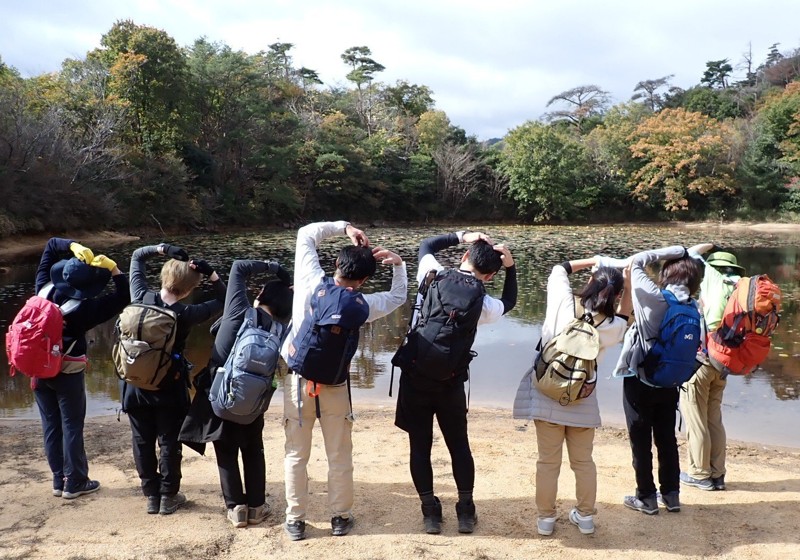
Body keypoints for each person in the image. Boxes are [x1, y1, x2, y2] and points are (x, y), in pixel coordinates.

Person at [281, 221, 407, 541]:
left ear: (336, 264)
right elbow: (397, 297)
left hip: (298, 381)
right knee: (339, 453)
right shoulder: (364, 306)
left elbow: (306, 233)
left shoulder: (310, 281)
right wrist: (399, 265)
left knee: (296, 453)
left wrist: (346, 228)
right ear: (364, 281)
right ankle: (340, 516)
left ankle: (296, 520)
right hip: (335, 386)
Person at [394, 231, 517, 535]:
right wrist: (511, 268)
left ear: (464, 257)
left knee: (419, 447)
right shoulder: (484, 303)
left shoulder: (432, 273)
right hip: (450, 383)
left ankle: (430, 513)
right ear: (489, 277)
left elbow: (426, 245)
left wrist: (463, 236)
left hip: (415, 377)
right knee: (459, 446)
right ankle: (465, 510)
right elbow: (510, 301)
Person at [513, 256, 632, 536]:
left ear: (590, 283)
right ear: (615, 295)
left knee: (547, 462)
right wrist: (627, 284)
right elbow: (626, 316)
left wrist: (594, 260)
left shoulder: (564, 304)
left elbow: (559, 269)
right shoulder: (611, 327)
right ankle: (586, 517)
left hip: (546, 392)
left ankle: (546, 519)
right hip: (582, 398)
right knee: (583, 463)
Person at [121, 243, 225, 515]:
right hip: (169, 384)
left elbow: (136, 256)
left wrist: (162, 248)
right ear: (190, 289)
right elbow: (227, 300)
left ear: (164, 278)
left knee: (141, 440)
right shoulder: (186, 314)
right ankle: (169, 496)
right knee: (168, 440)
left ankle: (151, 496)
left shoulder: (140, 296)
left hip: (134, 385)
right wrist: (212, 275)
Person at [32, 237, 130, 499]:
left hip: (37, 368)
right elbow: (125, 296)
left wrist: (73, 245)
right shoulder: (86, 309)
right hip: (67, 372)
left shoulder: (42, 289)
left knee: (51, 425)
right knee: (71, 425)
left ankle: (58, 480)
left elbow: (51, 244)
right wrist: (114, 270)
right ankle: (74, 482)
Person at [613, 246, 704, 515]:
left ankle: (646, 498)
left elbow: (636, 260)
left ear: (667, 275)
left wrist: (678, 249)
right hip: (671, 382)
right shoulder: (692, 305)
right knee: (666, 438)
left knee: (640, 439)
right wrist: (691, 255)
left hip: (641, 378)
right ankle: (672, 496)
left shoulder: (654, 298)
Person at [208, 260, 293, 527]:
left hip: (223, 394)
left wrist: (276, 269)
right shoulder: (282, 328)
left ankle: (236, 509)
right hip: (256, 403)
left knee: (225, 449)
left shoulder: (239, 312)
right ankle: (257, 506)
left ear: (259, 295)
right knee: (253, 449)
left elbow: (238, 268)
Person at [679, 245, 743, 492]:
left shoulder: (713, 286)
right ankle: (718, 474)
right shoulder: (736, 291)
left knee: (696, 421)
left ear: (713, 269)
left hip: (701, 364)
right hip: (723, 365)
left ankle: (699, 474)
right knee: (714, 419)